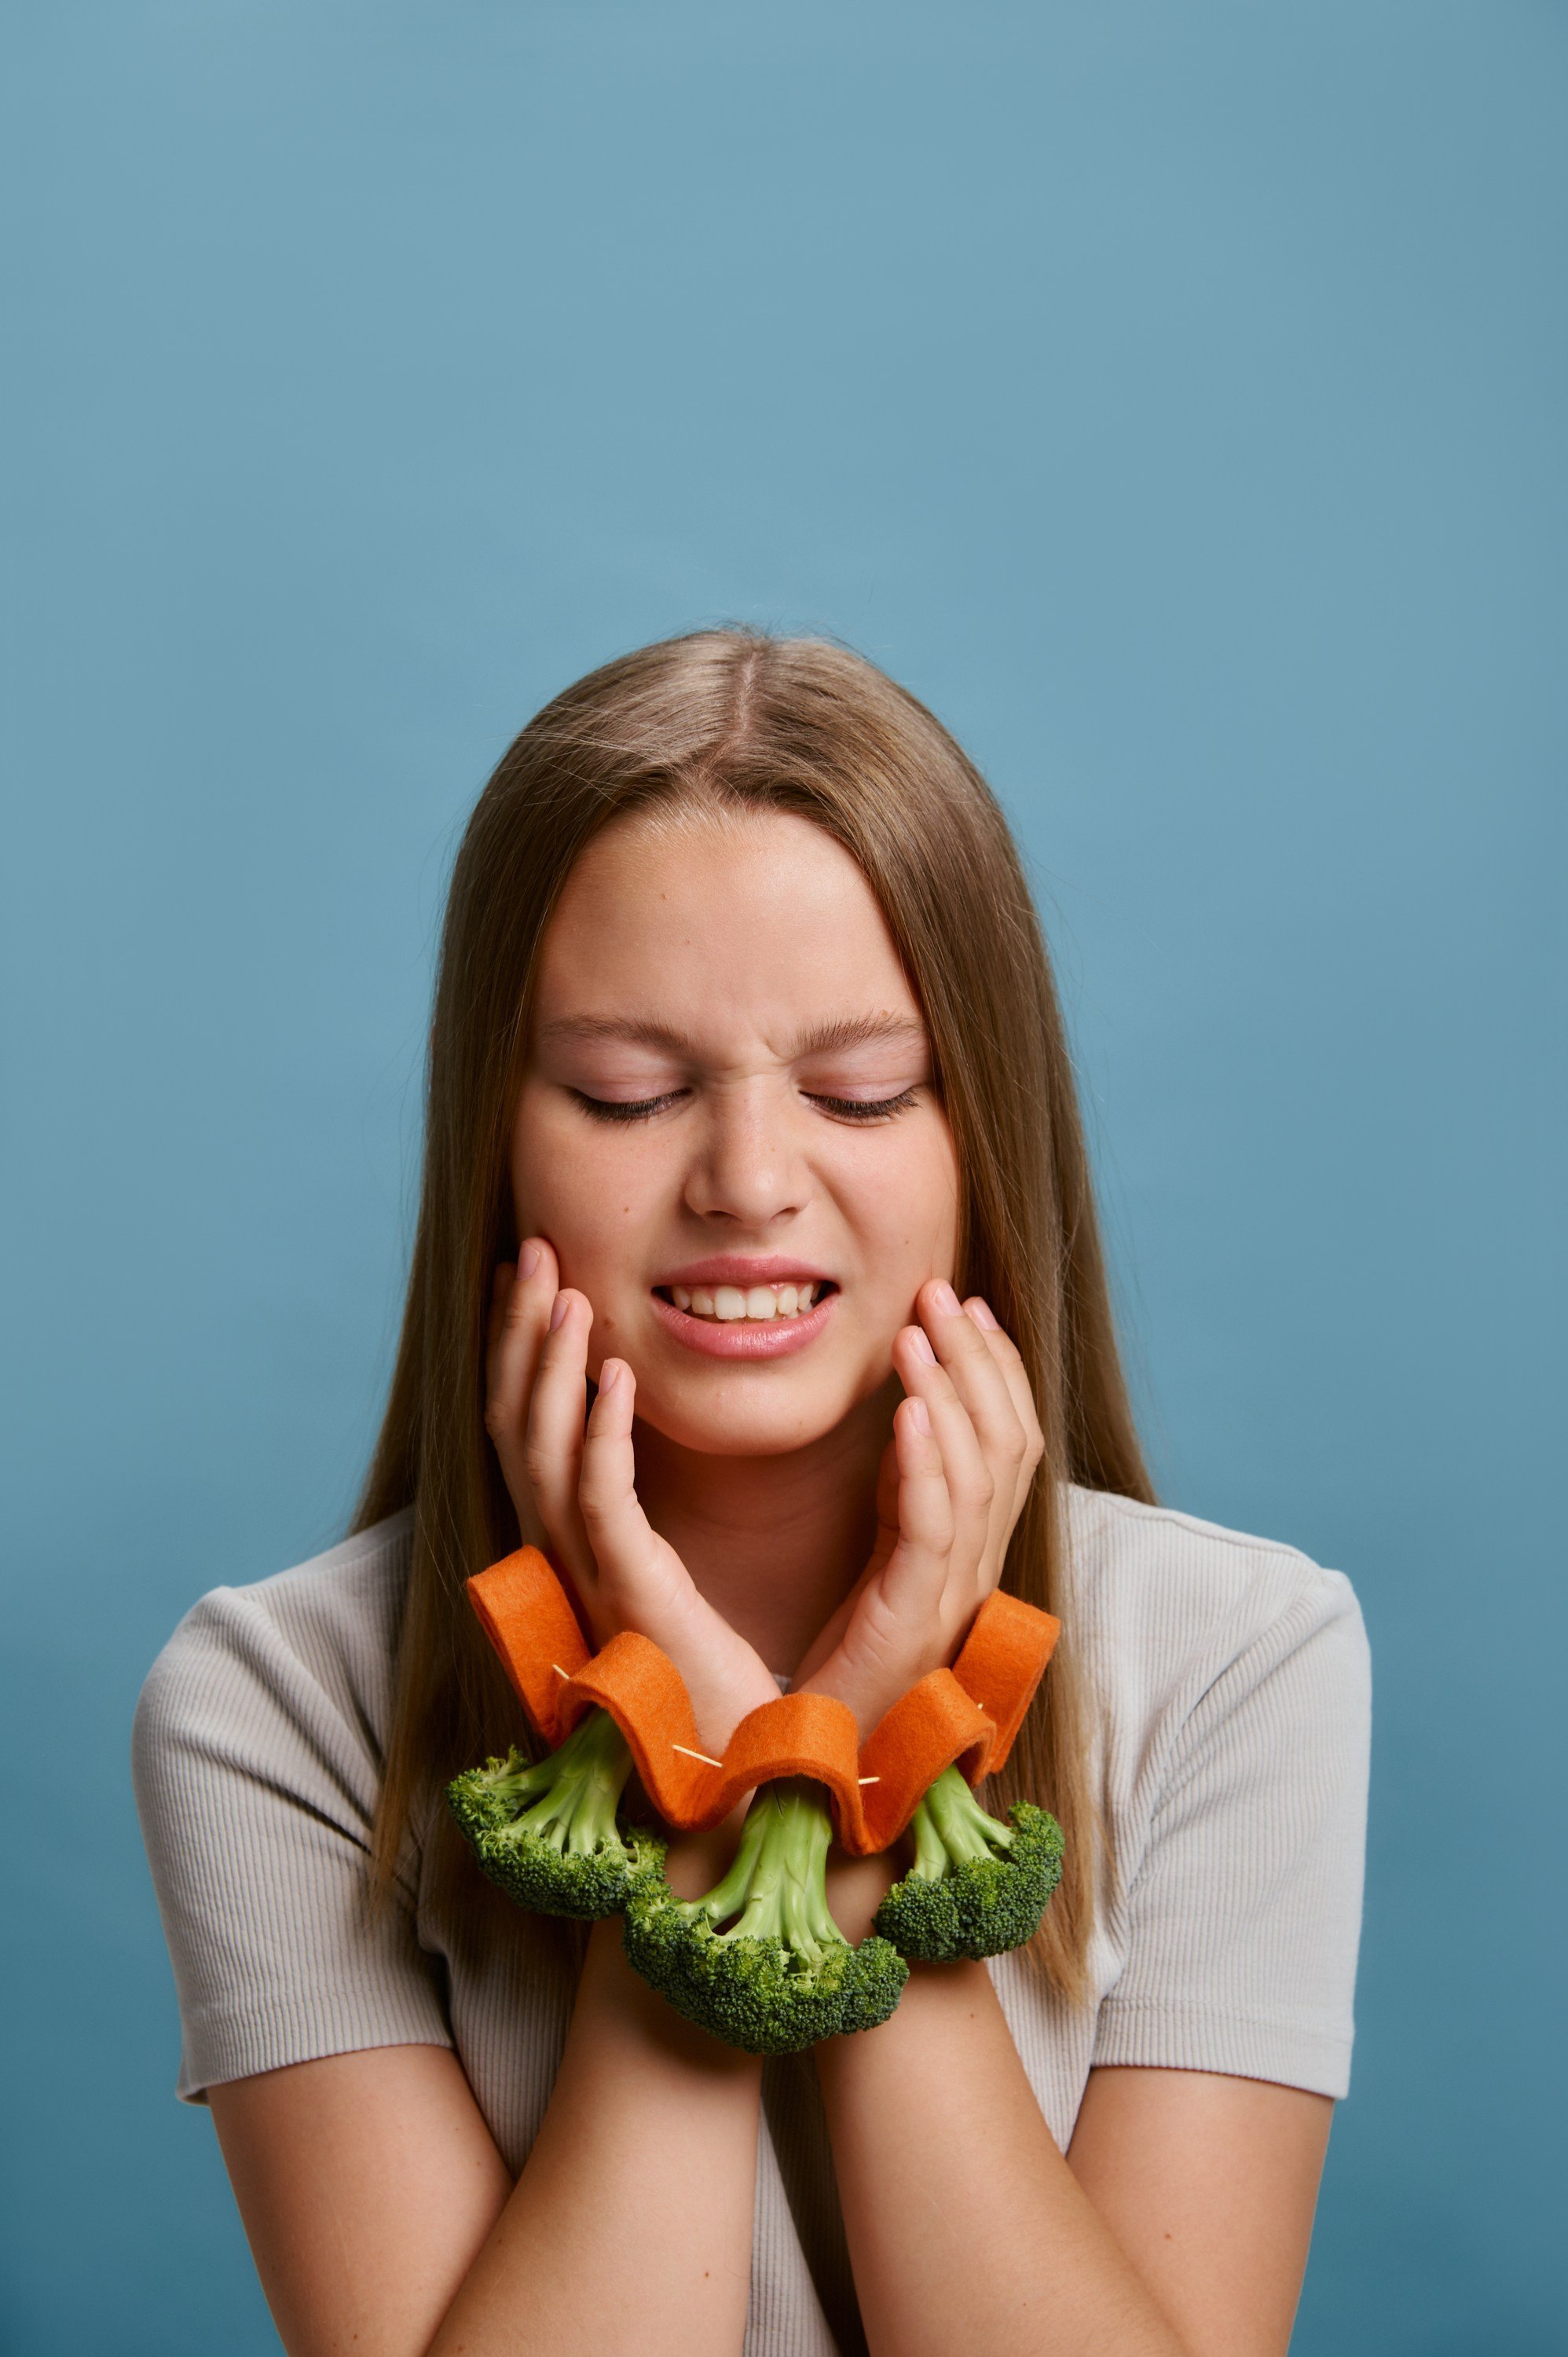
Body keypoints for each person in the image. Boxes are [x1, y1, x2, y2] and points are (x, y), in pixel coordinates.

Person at [134, 631, 1370, 2357]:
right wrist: (706, 1748)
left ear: (982, 1134)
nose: (746, 1181)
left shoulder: (1245, 1657)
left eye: (859, 1092)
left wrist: (857, 1747)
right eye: (628, 1093)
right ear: (496, 1137)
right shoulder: (269, 1705)